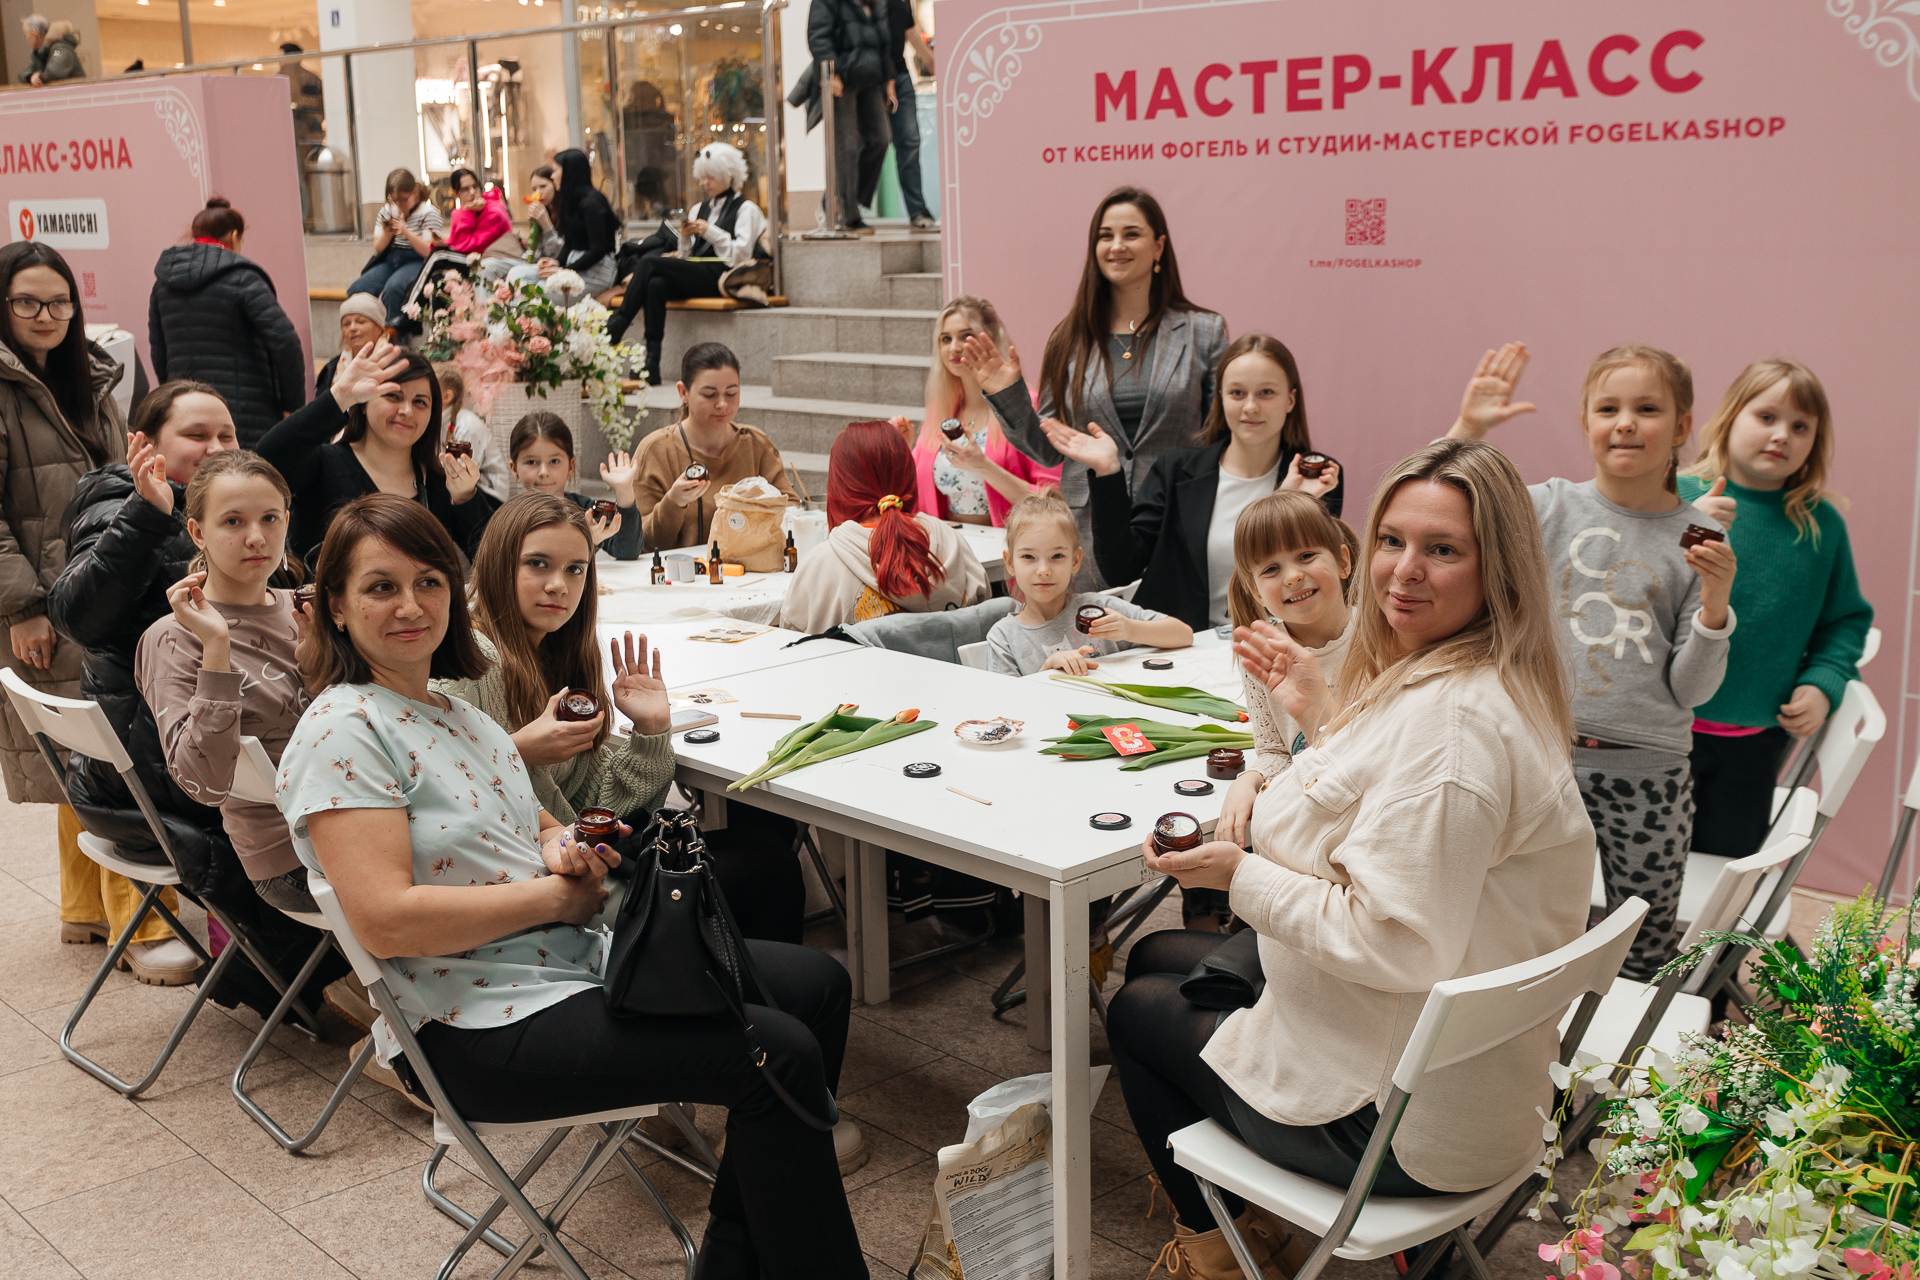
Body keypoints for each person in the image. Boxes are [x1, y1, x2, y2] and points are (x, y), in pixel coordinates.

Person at [277, 494, 868, 1276]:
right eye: (381, 587)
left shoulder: (458, 714)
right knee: (776, 1053)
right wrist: (556, 896)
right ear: (337, 608)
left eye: (428, 582)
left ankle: (733, 1259)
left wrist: (572, 852)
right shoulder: (344, 729)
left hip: (567, 960)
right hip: (474, 1021)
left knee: (819, 987)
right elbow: (385, 920)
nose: (411, 606)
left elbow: (540, 827)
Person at [1108, 439, 1595, 1276]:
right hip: (1471, 1073)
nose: (1405, 570)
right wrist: (1317, 713)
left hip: (1401, 1126)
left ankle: (1225, 1250)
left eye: (1443, 550)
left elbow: (1393, 939)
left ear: (1498, 568)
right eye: (1394, 541)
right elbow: (1396, 814)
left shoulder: (1455, 730)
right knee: (1158, 955)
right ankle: (1240, 1222)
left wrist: (1237, 875)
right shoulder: (1472, 676)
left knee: (1135, 1009)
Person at [1446, 341, 1738, 981]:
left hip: (1649, 773)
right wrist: (1469, 429)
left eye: (1647, 409)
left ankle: (1617, 1046)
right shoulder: (1548, 505)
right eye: (1608, 409)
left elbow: (1692, 691)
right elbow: (1437, 503)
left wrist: (1716, 606)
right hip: (1539, 756)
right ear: (1586, 422)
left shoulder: (1701, 536)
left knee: (1642, 945)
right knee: (1509, 929)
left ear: (1682, 427)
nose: (1625, 423)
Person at [436, 493, 810, 947]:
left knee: (766, 850)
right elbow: (435, 785)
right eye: (537, 564)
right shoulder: (472, 657)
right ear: (498, 565)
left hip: (579, 856)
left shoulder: (558, 654)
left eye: (576, 569)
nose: (558, 585)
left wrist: (650, 731)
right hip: (533, 889)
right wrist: (518, 750)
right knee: (768, 870)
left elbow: (600, 804)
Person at [959, 187, 1227, 583]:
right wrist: (1006, 394)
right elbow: (1048, 450)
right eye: (1105, 236)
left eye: (1131, 234)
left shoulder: (1204, 331)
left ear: (1158, 246)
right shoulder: (1069, 337)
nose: (1117, 246)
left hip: (1179, 520)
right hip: (1089, 530)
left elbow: (1220, 437)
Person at [0, 241, 140, 969]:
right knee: (108, 746)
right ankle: (140, 926)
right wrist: (22, 605)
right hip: (45, 602)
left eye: (58, 301)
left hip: (100, 585)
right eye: (26, 300)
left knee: (79, 743)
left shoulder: (89, 374)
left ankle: (84, 907)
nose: (45, 314)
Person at [1678, 360, 1871, 860]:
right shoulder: (1678, 496)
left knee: (1726, 867)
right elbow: (1644, 584)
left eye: (1800, 426)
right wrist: (1690, 526)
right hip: (1660, 729)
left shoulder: (1820, 526)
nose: (1782, 435)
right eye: (1766, 417)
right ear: (1730, 418)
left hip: (1754, 742)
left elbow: (1845, 623)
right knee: (1639, 863)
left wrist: (1823, 683)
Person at [135, 450, 315, 913]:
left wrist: (321, 661)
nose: (256, 537)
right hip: (292, 856)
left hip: (367, 816)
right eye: (233, 522)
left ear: (286, 522)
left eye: (269, 518)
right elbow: (205, 785)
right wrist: (216, 647)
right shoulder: (174, 637)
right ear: (198, 532)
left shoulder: (303, 608)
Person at [1072, 334, 1342, 630]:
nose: (1250, 406)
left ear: (1290, 400)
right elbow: (1120, 569)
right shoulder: (1175, 471)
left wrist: (1288, 500)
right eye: (1237, 393)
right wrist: (1108, 474)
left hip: (1273, 639)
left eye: (1266, 392)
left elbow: (1312, 584)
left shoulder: (1316, 477)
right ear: (1221, 398)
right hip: (1180, 642)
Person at [257, 342, 496, 564]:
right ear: (363, 402)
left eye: (420, 402)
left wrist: (466, 498)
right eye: (393, 396)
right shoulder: (322, 464)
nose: (407, 411)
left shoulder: (441, 484)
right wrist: (339, 396)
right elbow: (265, 460)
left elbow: (493, 558)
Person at [1214, 490, 1360, 849]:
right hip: (1310, 820)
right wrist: (1249, 780)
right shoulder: (1262, 655)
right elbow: (1276, 751)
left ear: (1343, 561)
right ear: (1255, 590)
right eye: (1271, 569)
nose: (1293, 576)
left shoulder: (1382, 636)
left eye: (1306, 556)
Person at [781, 420, 988, 634]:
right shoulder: (952, 543)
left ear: (840, 488)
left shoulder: (819, 567)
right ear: (909, 476)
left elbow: (791, 641)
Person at [148, 197, 307, 450]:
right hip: (246, 417)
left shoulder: (162, 285)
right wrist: (293, 406)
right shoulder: (242, 277)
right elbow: (284, 339)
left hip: (186, 413)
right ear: (234, 237)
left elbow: (159, 353)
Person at [607, 143, 768, 383]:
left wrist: (710, 231)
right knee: (655, 284)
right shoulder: (698, 209)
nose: (705, 183)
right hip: (696, 270)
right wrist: (684, 237)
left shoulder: (747, 209)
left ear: (730, 175)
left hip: (723, 275)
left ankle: (619, 323)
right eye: (703, 177)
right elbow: (685, 257)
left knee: (649, 263)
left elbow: (740, 256)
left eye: (711, 176)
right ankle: (652, 363)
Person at [985, 490, 1190, 676]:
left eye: (1057, 556)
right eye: (1028, 557)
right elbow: (1008, 702)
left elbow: (1184, 634)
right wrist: (1047, 671)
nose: (1044, 570)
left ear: (1075, 561)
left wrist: (1129, 629)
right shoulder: (1003, 637)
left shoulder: (1101, 610)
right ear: (1010, 563)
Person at [630, 343, 799, 549]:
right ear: (683, 392)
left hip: (750, 565)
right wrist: (673, 502)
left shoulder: (755, 443)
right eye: (709, 395)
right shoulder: (656, 450)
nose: (722, 404)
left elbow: (791, 507)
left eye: (731, 393)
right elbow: (641, 541)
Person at [910, 296, 1059, 526]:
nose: (954, 347)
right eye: (946, 339)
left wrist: (983, 466)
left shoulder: (1028, 408)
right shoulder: (941, 411)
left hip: (1009, 542)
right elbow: (911, 488)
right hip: (952, 539)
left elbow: (1054, 501)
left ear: (991, 339)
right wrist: (899, 445)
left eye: (966, 336)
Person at [807, 0, 893, 234]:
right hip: (842, 78)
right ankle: (849, 216)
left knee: (881, 138)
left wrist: (889, 79)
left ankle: (836, 197)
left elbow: (884, 39)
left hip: (870, 77)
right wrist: (831, 72)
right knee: (847, 146)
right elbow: (818, 35)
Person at [507, 413, 643, 560]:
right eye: (531, 462)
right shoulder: (508, 520)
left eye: (554, 461)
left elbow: (628, 551)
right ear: (514, 468)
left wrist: (624, 491)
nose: (544, 472)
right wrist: (587, 542)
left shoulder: (585, 511)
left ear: (571, 466)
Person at [508, 150, 619, 297]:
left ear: (569, 172)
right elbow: (569, 243)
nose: (552, 176)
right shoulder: (571, 201)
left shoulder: (592, 203)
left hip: (595, 271)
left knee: (537, 290)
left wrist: (564, 270)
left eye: (555, 170)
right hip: (572, 265)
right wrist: (556, 263)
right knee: (516, 274)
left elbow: (597, 251)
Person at [347, 169, 445, 326]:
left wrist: (405, 231)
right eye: (394, 200)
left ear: (415, 193)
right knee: (358, 289)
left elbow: (428, 251)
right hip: (390, 259)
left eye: (403, 200)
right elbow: (378, 249)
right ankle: (367, 331)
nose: (399, 204)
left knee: (393, 289)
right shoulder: (387, 210)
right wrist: (387, 234)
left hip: (416, 260)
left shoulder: (429, 213)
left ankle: (393, 334)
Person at [885, 0, 938, 230]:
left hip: (900, 74)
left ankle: (917, 211)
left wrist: (930, 60)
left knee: (909, 142)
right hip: (873, 76)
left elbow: (908, 29)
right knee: (870, 143)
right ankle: (836, 205)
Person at [433, 364, 509, 502]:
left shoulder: (466, 427)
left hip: (489, 498)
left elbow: (462, 473)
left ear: (446, 396)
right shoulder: (441, 421)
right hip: (463, 490)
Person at [313, 293, 387, 398]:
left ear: (379, 327)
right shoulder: (331, 369)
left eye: (361, 322)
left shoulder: (394, 364)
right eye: (346, 324)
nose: (352, 328)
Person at [443, 168, 520, 263]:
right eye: (465, 189)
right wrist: (441, 243)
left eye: (475, 187)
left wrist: (468, 212)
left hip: (496, 261)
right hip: (475, 260)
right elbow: (454, 241)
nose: (472, 192)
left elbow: (463, 247)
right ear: (456, 193)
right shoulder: (461, 211)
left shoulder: (494, 212)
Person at [18, 16, 82, 86]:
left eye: (26, 34)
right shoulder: (43, 52)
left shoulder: (60, 49)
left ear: (34, 33)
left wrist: (39, 77)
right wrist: (31, 77)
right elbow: (24, 74)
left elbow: (54, 72)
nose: (26, 38)